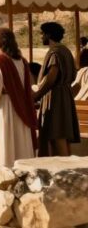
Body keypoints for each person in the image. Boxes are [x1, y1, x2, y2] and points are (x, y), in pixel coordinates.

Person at [0, 27, 37, 172]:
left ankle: (5, 177)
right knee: (20, 144)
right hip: (21, 108)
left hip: (4, 107)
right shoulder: (22, 61)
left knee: (5, 144)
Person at [33, 22, 80, 156]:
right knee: (60, 134)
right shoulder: (65, 50)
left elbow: (51, 78)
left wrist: (36, 95)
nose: (41, 37)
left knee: (57, 133)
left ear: (48, 35)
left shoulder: (56, 52)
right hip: (63, 95)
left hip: (56, 97)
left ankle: (65, 169)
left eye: (42, 34)